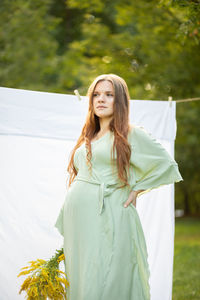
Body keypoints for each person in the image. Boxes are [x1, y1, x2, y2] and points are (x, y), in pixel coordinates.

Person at [54, 74, 183, 300]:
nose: (100, 99)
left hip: (110, 215)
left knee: (108, 277)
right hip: (80, 221)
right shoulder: (89, 135)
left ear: (120, 101)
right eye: (96, 94)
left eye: (109, 95)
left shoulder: (129, 133)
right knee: (83, 277)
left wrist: (136, 189)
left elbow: (165, 164)